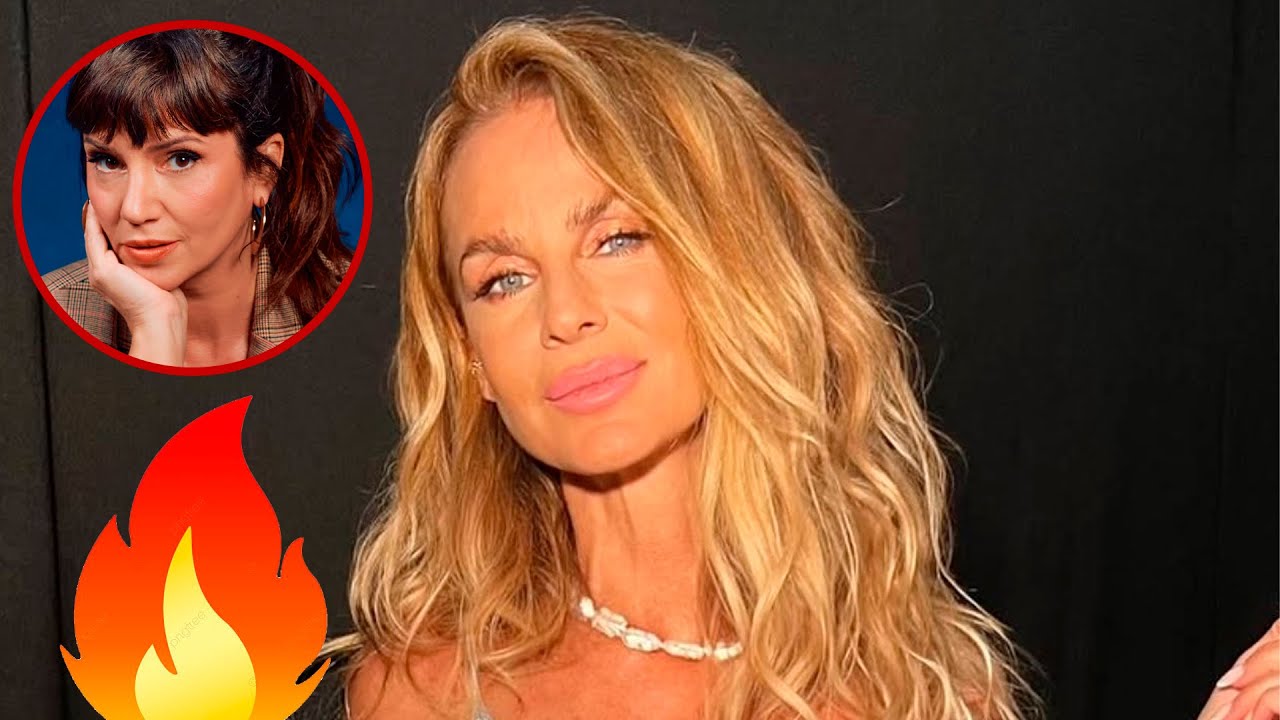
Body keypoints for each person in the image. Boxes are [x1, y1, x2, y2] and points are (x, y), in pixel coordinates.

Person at [331, 15, 1275, 720]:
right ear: (471, 360)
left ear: (738, 262)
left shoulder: (926, 690)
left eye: (617, 238)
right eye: (502, 280)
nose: (565, 314)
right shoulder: (418, 691)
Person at [40, 29, 354, 367]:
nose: (134, 209)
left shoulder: (358, 310)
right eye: (108, 161)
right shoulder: (42, 316)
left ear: (264, 171)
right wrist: (153, 330)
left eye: (181, 159)